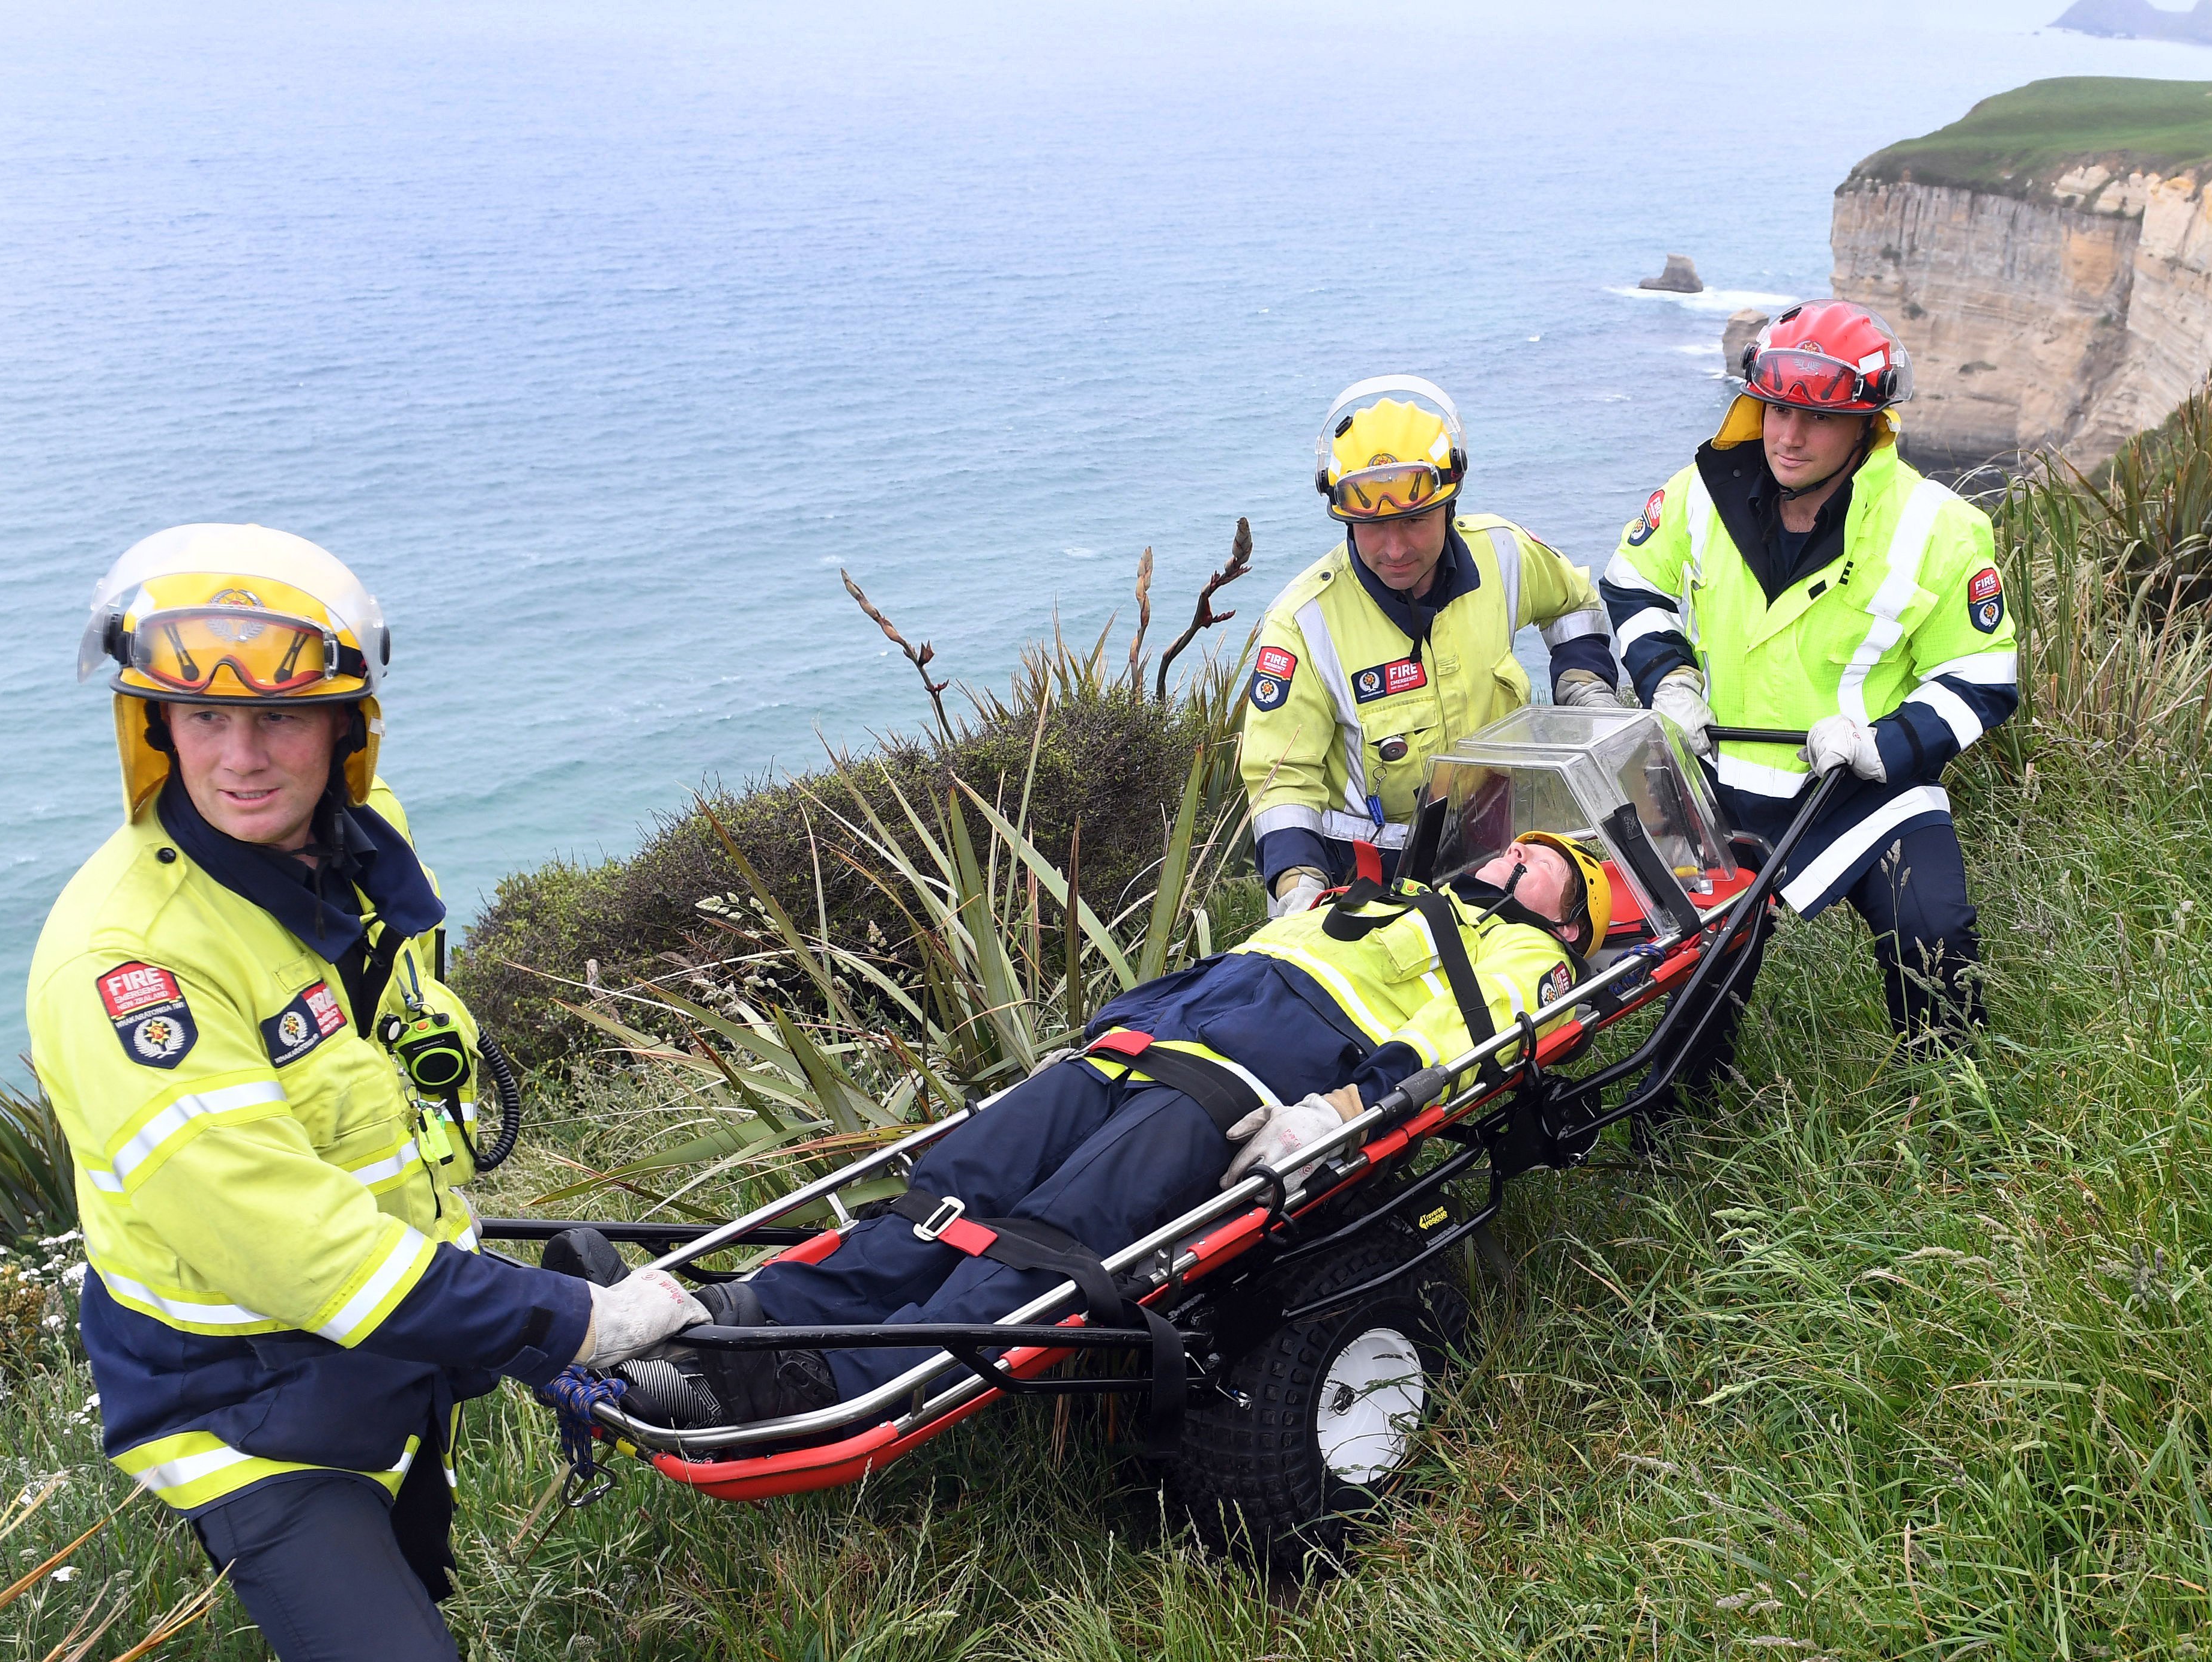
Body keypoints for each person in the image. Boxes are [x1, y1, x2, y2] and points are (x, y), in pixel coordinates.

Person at [26, 524, 708, 1662]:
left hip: (381, 1352)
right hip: (244, 1408)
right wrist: (570, 1325)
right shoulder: (129, 967)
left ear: (346, 728)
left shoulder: (361, 854)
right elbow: (284, 1242)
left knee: (413, 1575)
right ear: (154, 727)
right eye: (204, 717)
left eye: (279, 717)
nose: (240, 756)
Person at [598, 832, 1614, 1428]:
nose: (1511, 849)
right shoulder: (1383, 898)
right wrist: (1108, 1029)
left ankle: (834, 1380)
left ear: (1570, 922)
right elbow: (1242, 961)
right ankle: (758, 1314)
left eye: (1539, 863)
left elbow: (1468, 1042)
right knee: (949, 1188)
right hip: (1136, 1050)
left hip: (1237, 1092)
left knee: (1054, 1230)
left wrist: (1340, 1112)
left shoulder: (1527, 956)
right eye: (1514, 840)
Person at [1600, 300, 2018, 1066]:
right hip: (1718, 780)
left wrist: (1882, 743)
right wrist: (1669, 681)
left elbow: (1983, 676)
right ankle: (1678, 1134)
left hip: (1864, 783)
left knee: (1935, 931)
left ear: (1868, 425)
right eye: (1777, 409)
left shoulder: (1939, 525)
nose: (1788, 436)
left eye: (1818, 419)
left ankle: (1957, 1113)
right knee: (1698, 969)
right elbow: (1632, 583)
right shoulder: (1700, 491)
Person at [1243, 375, 1620, 919]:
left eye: (1415, 520)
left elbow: (1575, 602)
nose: (1395, 549)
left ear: (1451, 501)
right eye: (1371, 527)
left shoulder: (1504, 555)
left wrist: (1585, 688)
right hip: (1367, 881)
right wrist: (1298, 888)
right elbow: (1281, 781)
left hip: (1496, 855)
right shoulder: (1303, 624)